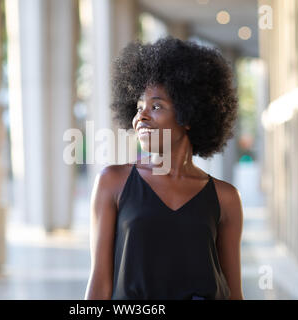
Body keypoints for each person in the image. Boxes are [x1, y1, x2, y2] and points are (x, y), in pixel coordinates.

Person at [84, 36, 244, 300]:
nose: (141, 116)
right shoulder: (113, 182)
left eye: (156, 106)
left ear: (189, 115)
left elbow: (234, 294)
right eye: (138, 107)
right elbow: (99, 284)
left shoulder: (226, 198)